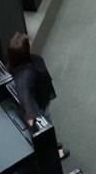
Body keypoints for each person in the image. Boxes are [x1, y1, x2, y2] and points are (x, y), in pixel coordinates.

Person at [5, 32, 69, 160]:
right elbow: (23, 92)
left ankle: (52, 146)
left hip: (41, 99)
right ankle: (54, 152)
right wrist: (30, 113)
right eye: (27, 42)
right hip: (39, 107)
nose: (30, 41)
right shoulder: (25, 73)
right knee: (47, 128)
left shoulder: (17, 63)